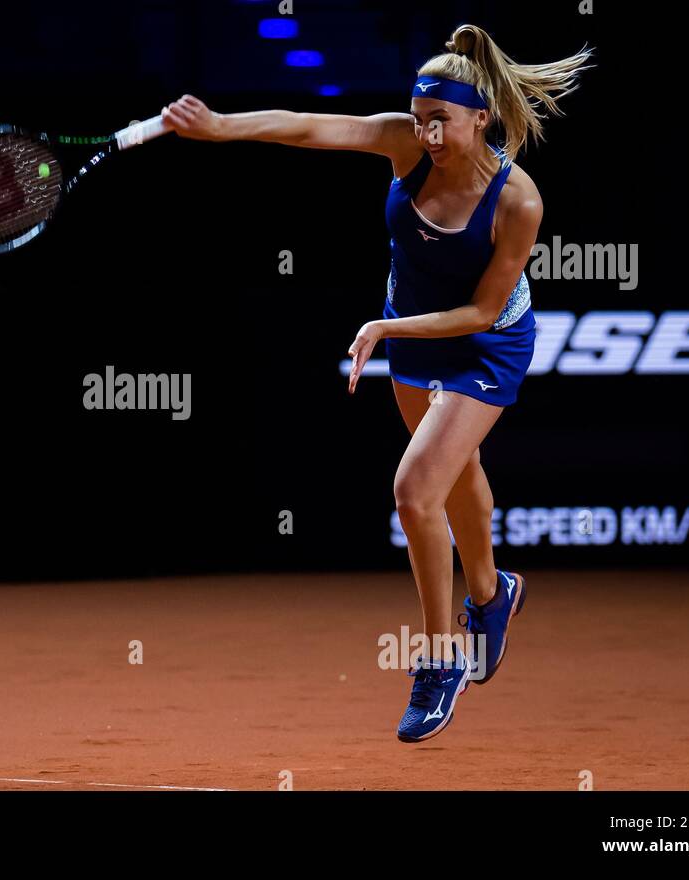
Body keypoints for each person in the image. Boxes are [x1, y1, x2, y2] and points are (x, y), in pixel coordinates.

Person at [160, 24, 593, 742]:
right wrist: (219, 128)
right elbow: (307, 126)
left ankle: (436, 660)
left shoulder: (520, 201)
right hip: (413, 324)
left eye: (441, 121)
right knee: (456, 475)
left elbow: (483, 309)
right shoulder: (403, 140)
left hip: (485, 340)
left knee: (413, 491)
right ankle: (493, 593)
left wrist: (388, 330)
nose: (426, 134)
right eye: (419, 118)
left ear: (480, 117)